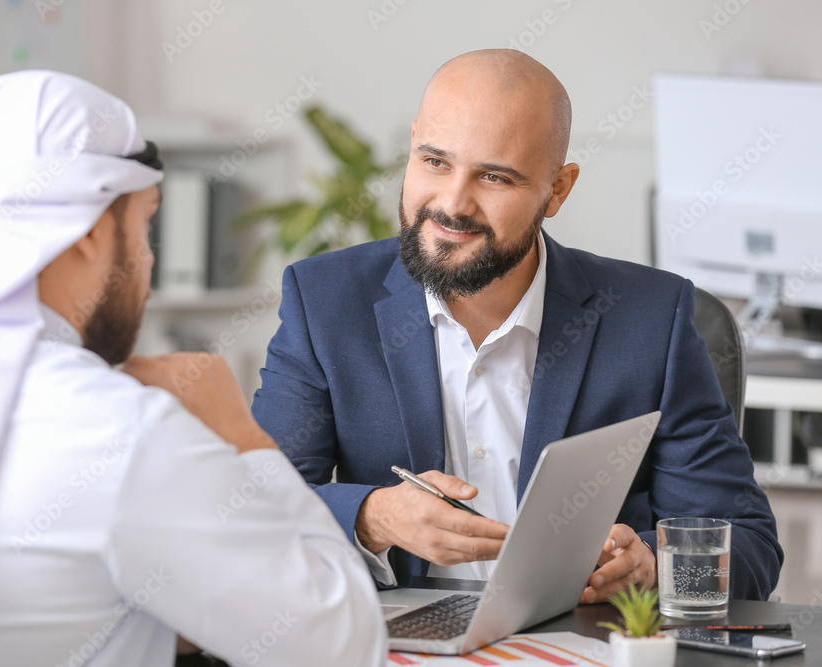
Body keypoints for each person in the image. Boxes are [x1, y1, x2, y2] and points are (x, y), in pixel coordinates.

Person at [0, 70, 386, 666]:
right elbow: (341, 647)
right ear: (89, 233)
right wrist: (241, 436)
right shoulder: (117, 428)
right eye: (145, 227)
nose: (147, 262)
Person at [251, 49, 783, 603]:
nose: (453, 204)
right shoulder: (324, 302)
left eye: (494, 177)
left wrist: (653, 568)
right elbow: (257, 510)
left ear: (557, 189)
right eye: (434, 161)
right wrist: (372, 518)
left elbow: (747, 547)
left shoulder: (653, 318)